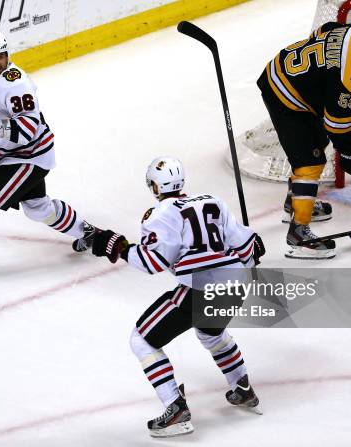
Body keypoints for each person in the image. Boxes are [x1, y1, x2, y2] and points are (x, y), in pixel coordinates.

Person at [90, 156, 265, 437]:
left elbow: (151, 263)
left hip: (200, 291)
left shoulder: (160, 214)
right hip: (235, 286)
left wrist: (118, 247)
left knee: (143, 339)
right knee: (211, 334)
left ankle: (175, 409)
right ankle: (242, 387)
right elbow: (248, 247)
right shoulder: (213, 201)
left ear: (155, 187)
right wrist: (252, 247)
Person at [0, 31, 96, 285]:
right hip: (11, 156)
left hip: (30, 155)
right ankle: (89, 233)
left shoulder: (16, 84)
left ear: (7, 55)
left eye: (1, 56)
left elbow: (28, 131)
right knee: (38, 209)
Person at [257, 23, 351, 259]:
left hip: (287, 72)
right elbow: (338, 126)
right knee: (309, 163)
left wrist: (318, 76)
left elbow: (324, 30)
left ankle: (296, 202)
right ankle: (298, 234)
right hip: (284, 94)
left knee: (317, 141)